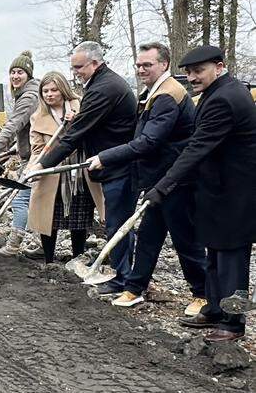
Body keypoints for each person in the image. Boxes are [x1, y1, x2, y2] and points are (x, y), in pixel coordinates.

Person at [146, 45, 256, 343]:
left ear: (219, 66)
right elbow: (196, 142)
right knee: (215, 252)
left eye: (199, 71)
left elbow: (198, 147)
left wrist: (163, 185)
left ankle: (233, 323)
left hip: (234, 193)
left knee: (231, 257)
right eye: (189, 72)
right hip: (217, 190)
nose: (192, 77)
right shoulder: (217, 92)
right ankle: (215, 308)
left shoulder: (225, 98)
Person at [91, 43, 206, 314]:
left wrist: (105, 157)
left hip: (176, 180)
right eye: (139, 65)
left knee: (185, 238)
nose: (141, 69)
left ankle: (203, 294)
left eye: (148, 65)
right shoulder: (152, 93)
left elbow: (149, 141)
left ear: (164, 64)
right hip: (159, 180)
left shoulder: (168, 96)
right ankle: (135, 287)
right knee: (149, 236)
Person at [33, 41, 136, 296]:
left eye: (78, 67)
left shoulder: (104, 88)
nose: (75, 71)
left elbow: (76, 134)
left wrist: (43, 164)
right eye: (73, 67)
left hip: (117, 165)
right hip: (111, 163)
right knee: (116, 224)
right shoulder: (101, 83)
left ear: (95, 62)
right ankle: (124, 278)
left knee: (118, 224)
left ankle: (125, 280)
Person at [26, 72, 103, 266]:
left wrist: (74, 122)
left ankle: (78, 258)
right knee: (49, 218)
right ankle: (49, 260)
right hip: (52, 174)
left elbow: (92, 134)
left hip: (79, 171)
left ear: (63, 89)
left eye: (54, 90)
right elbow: (36, 148)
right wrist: (36, 167)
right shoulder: (38, 117)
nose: (49, 94)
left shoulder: (81, 106)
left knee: (79, 217)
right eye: (45, 91)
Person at [0, 51, 41, 257]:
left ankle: (13, 245)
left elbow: (12, 126)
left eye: (20, 72)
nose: (15, 76)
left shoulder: (28, 97)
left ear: (28, 74)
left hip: (37, 157)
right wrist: (14, 149)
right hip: (32, 153)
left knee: (20, 201)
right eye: (12, 72)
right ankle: (42, 245)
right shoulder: (29, 92)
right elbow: (25, 130)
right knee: (37, 203)